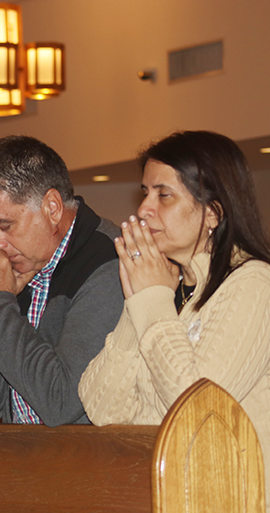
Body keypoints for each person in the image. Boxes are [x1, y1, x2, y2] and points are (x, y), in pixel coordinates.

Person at [78, 131, 270, 497]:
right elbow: (101, 408)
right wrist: (139, 301)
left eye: (163, 194)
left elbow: (199, 405)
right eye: (145, 192)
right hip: (160, 492)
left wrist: (151, 300)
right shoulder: (167, 288)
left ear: (213, 212)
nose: (145, 208)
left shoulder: (255, 284)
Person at [0, 135, 124, 427]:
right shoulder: (19, 264)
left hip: (92, 466)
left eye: (5, 226)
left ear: (52, 208)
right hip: (23, 462)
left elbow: (62, 403)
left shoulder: (110, 263)